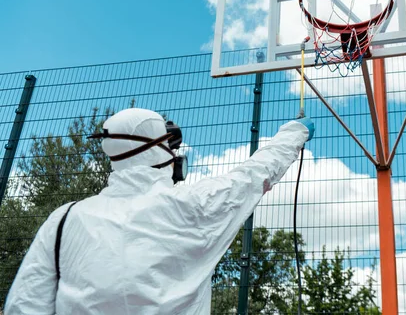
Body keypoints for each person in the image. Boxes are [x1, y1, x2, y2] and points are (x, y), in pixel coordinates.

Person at [5, 107, 314, 314]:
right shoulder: (192, 205)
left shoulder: (64, 219)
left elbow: (26, 303)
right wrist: (295, 132)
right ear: (156, 149)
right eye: (170, 147)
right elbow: (253, 173)